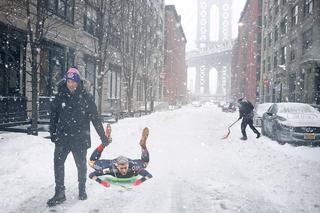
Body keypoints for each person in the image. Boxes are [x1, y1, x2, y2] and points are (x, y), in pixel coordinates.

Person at [47, 66, 109, 207]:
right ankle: (60, 192)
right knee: (58, 164)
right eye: (69, 81)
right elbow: (54, 115)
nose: (71, 84)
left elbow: (95, 119)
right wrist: (53, 132)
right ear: (66, 81)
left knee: (80, 165)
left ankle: (82, 187)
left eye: (73, 81)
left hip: (79, 138)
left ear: (78, 82)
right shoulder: (60, 95)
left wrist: (103, 137)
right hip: (63, 137)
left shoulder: (86, 97)